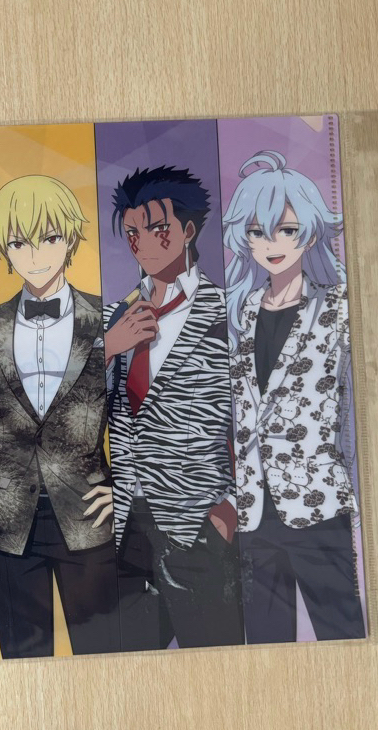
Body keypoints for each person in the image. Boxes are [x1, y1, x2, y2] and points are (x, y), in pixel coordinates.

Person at [223, 150, 364, 643]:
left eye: (286, 230)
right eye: (258, 232)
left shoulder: (339, 308)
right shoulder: (239, 313)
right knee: (267, 647)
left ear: (311, 230)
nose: (272, 244)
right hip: (254, 513)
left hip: (317, 505)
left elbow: (357, 410)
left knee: (344, 637)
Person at [104, 166, 244, 649]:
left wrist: (231, 510)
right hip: (126, 526)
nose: (142, 243)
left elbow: (257, 418)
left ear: (187, 230)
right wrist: (108, 348)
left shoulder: (227, 312)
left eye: (156, 228)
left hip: (199, 524)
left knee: (217, 666)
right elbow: (75, 413)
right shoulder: (115, 317)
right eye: (131, 233)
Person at [0, 174, 119, 658]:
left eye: (50, 237)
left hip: (88, 515)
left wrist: (124, 486)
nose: (36, 254)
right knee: (22, 667)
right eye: (20, 242)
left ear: (72, 238)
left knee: (104, 659)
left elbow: (135, 413)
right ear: (4, 248)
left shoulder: (107, 319)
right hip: (9, 521)